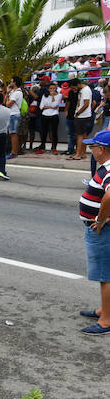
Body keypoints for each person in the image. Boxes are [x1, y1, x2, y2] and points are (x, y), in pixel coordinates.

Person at [77, 130, 110, 335]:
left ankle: (106, 320)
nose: (91, 151)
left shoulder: (108, 168)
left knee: (105, 275)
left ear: (102, 149)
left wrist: (100, 219)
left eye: (93, 147)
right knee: (104, 274)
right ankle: (103, 309)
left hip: (102, 230)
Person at [70, 78, 93, 160]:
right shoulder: (83, 90)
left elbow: (86, 104)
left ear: (78, 84)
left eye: (74, 87)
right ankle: (82, 153)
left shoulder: (85, 90)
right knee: (83, 135)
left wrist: (78, 113)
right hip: (83, 115)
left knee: (79, 135)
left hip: (82, 116)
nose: (73, 90)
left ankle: (78, 154)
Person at [38, 82, 62, 154]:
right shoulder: (44, 96)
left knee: (54, 132)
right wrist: (50, 107)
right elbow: (41, 106)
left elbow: (55, 105)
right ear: (48, 89)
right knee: (43, 132)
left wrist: (53, 97)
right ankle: (42, 147)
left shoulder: (59, 95)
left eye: (54, 88)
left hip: (54, 115)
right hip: (45, 115)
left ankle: (54, 147)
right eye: (50, 88)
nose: (52, 90)